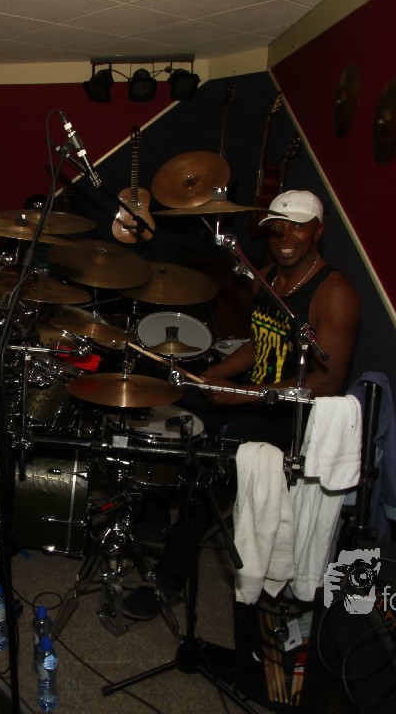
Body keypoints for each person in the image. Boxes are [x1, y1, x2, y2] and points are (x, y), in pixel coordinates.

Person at [124, 190, 361, 621]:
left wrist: (242, 393)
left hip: (290, 413)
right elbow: (258, 344)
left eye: (298, 227)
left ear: (318, 231)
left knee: (211, 468)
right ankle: (152, 515)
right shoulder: (266, 276)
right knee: (160, 396)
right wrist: (212, 376)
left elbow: (327, 381)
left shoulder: (335, 293)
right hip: (254, 394)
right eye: (277, 228)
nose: (285, 236)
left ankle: (168, 579)